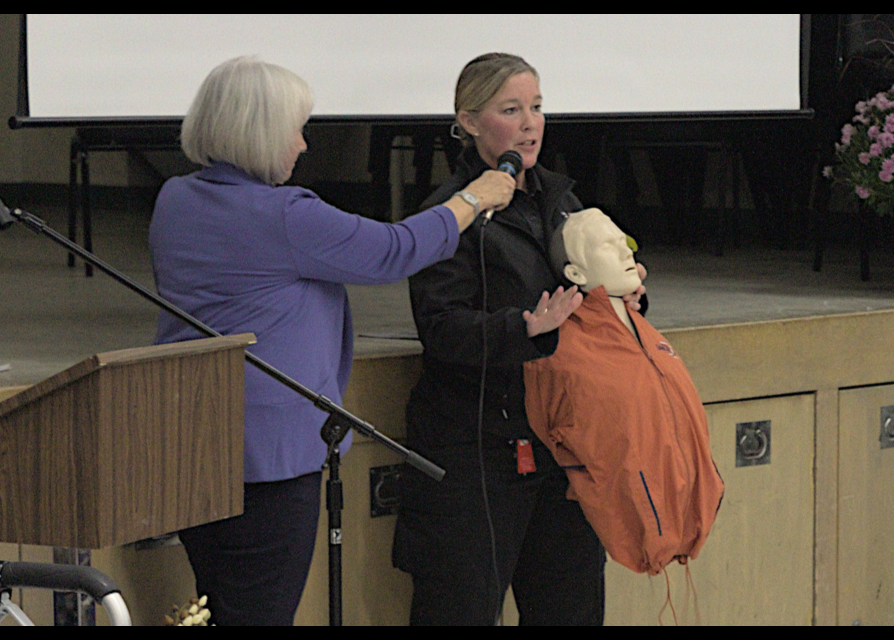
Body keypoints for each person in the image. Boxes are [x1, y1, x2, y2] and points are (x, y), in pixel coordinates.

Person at [148, 55, 516, 626]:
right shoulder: (285, 216)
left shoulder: (174, 200)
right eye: (297, 129)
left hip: (189, 445)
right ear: (262, 132)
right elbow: (394, 250)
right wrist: (473, 197)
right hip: (269, 459)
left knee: (222, 606)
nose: (302, 145)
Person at [391, 53, 646, 626]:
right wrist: (523, 329)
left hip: (563, 444)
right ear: (470, 121)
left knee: (571, 609)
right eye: (511, 110)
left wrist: (627, 297)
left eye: (536, 107)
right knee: (459, 610)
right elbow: (442, 329)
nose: (531, 124)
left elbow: (596, 295)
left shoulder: (564, 203)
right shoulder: (449, 216)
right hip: (477, 449)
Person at [524, 209, 724, 576]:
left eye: (625, 243)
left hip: (681, 517)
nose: (625, 254)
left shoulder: (647, 335)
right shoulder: (561, 351)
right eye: (607, 246)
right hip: (606, 523)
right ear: (575, 273)